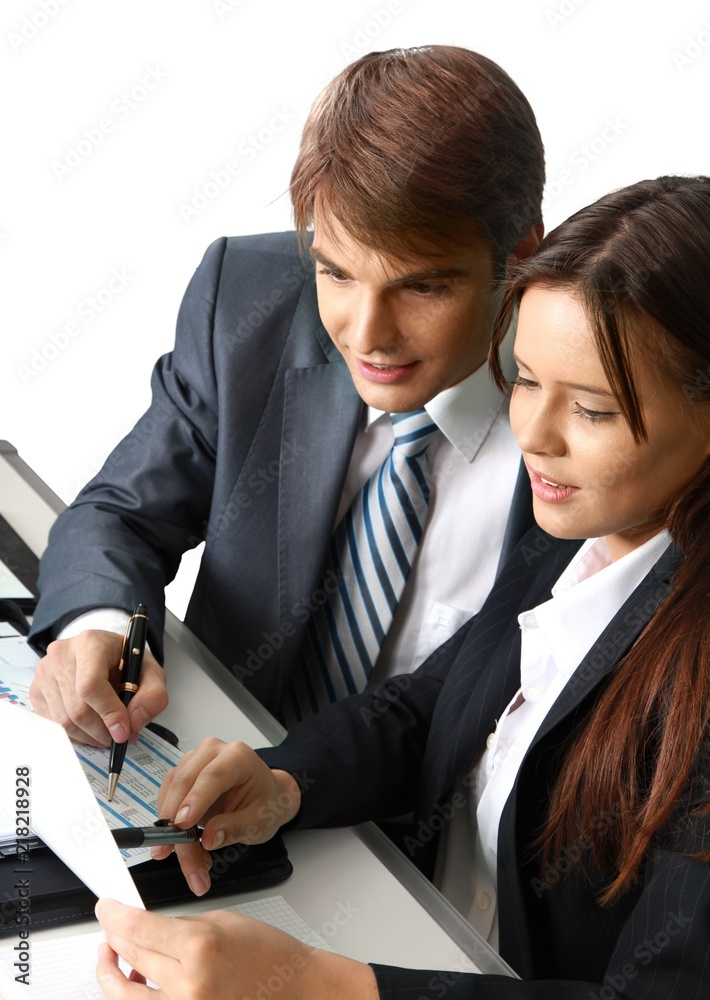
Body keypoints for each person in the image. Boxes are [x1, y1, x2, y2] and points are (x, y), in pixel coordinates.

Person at [95, 176, 710, 998]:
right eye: (525, 379)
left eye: (592, 410)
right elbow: (440, 698)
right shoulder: (589, 524)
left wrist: (323, 987)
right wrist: (284, 783)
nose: (531, 434)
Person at [28, 45, 545, 741]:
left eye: (422, 286)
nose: (366, 335)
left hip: (415, 839)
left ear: (521, 257)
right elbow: (123, 513)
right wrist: (102, 629)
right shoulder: (247, 302)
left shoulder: (598, 410)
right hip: (196, 774)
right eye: (336, 272)